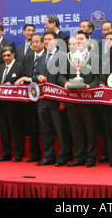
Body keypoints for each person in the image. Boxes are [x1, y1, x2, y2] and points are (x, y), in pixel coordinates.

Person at [59, 30, 100, 167]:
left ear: (88, 42)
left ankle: (90, 157)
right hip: (72, 99)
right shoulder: (68, 56)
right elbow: (61, 75)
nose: (79, 42)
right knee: (76, 130)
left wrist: (90, 86)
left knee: (89, 129)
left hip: (87, 100)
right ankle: (79, 156)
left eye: (82, 39)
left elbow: (98, 78)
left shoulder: (94, 57)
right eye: (77, 40)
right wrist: (65, 82)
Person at [34, 31, 73, 166]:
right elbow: (34, 75)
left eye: (49, 39)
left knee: (61, 130)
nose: (46, 42)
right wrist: (37, 77)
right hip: (43, 100)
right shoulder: (41, 56)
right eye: (44, 39)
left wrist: (63, 99)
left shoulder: (62, 56)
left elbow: (64, 77)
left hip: (57, 100)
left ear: (56, 41)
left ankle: (64, 155)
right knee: (45, 130)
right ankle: (49, 156)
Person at [15, 33, 45, 162]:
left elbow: (42, 76)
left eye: (37, 42)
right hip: (30, 97)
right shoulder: (27, 57)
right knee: (32, 127)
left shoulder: (47, 56)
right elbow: (22, 73)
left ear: (43, 43)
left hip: (44, 97)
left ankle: (49, 155)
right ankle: (35, 154)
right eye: (33, 42)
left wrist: (28, 78)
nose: (35, 44)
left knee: (44, 127)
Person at [0, 47, 25, 162]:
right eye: (4, 56)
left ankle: (18, 154)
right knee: (4, 130)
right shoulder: (1, 68)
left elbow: (24, 85)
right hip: (1, 104)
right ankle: (6, 153)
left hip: (14, 105)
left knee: (16, 130)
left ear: (13, 54)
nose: (6, 58)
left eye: (8, 55)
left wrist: (11, 84)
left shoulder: (20, 67)